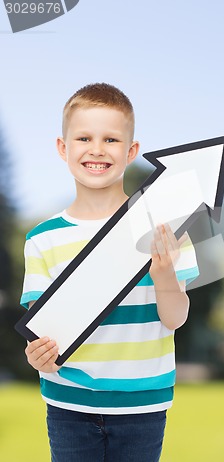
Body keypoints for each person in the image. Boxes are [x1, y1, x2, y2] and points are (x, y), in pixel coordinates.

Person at [20, 83, 199, 461]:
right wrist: (38, 355)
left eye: (111, 139)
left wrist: (165, 276)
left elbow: (175, 318)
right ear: (62, 148)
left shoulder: (164, 225)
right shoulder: (42, 240)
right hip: (68, 403)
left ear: (131, 151)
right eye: (84, 137)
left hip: (142, 405)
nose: (97, 149)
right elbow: (42, 333)